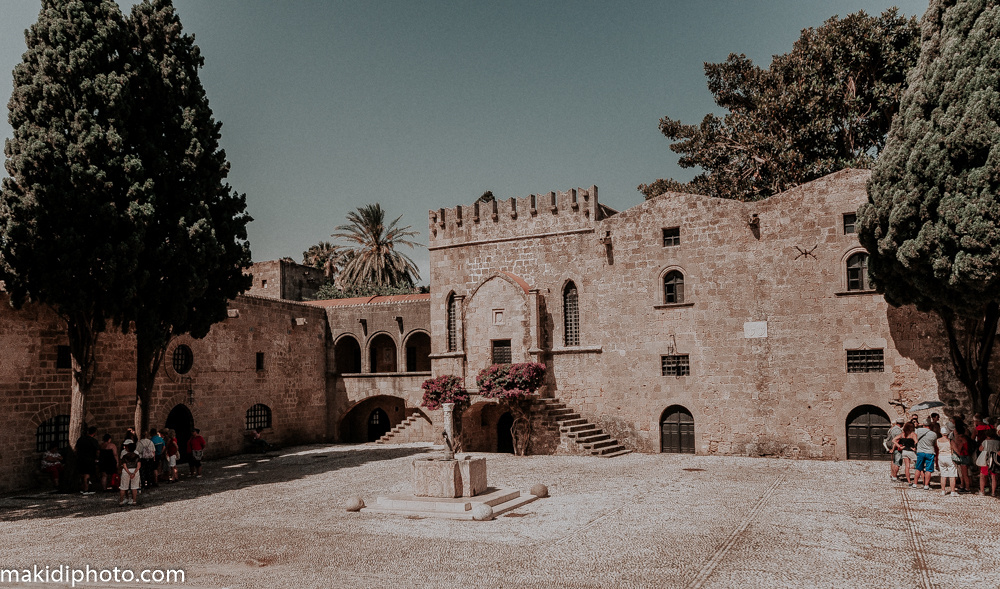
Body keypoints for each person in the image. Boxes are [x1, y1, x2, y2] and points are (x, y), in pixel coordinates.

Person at [75, 426, 100, 494]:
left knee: (82, 474)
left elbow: (76, 449)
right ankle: (86, 489)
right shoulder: (93, 441)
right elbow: (97, 451)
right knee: (87, 474)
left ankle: (83, 487)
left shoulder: (80, 439)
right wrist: (97, 458)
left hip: (80, 459)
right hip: (89, 459)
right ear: (94, 433)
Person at [914, 421, 938, 490]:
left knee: (918, 468)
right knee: (928, 469)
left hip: (920, 451)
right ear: (930, 425)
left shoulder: (918, 431)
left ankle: (915, 484)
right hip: (929, 452)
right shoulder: (933, 434)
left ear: (923, 424)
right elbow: (934, 444)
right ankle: (926, 485)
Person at [976, 428, 1000, 496]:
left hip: (985, 460)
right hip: (994, 460)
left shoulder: (985, 442)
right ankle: (993, 492)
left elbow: (980, 449)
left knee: (982, 476)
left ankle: (982, 491)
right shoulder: (998, 442)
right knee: (994, 477)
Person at [936, 425, 958, 496]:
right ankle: (952, 491)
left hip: (941, 456)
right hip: (949, 456)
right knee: (952, 475)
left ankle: (943, 490)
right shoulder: (950, 441)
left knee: (943, 474)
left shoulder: (938, 440)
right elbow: (956, 449)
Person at [952, 422, 974, 493]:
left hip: (963, 456)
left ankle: (967, 488)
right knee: (966, 473)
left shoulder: (961, 439)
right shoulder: (966, 438)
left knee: (964, 474)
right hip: (968, 456)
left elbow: (959, 449)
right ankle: (966, 486)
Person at [118, 441, 141, 506]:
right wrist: (134, 472)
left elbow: (124, 465)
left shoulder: (124, 456)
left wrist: (129, 472)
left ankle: (121, 501)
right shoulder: (137, 456)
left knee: (123, 487)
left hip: (126, 471)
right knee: (134, 487)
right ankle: (134, 501)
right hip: (135, 470)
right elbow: (139, 465)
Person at [896, 422, 918, 486]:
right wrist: (915, 448)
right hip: (911, 451)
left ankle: (909, 482)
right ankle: (923, 481)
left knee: (907, 467)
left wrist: (899, 446)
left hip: (904, 451)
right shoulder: (913, 434)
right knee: (919, 465)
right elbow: (916, 442)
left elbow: (894, 440)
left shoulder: (903, 434)